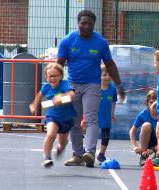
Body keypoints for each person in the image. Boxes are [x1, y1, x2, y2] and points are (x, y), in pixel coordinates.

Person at [57, 9, 125, 168]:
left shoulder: (100, 42)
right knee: (74, 121)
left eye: (90, 24)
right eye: (83, 23)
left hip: (92, 85)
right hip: (72, 85)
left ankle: (90, 153)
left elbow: (110, 64)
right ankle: (77, 155)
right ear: (78, 23)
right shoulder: (67, 41)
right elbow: (58, 64)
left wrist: (119, 85)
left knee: (91, 117)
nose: (86, 26)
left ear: (94, 25)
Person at [29, 63, 76, 168]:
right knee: (50, 134)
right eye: (50, 76)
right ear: (46, 77)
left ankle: (60, 147)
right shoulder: (46, 87)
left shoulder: (65, 84)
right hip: (53, 117)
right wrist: (34, 105)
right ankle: (47, 157)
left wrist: (61, 99)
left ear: (60, 76)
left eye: (55, 75)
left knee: (62, 142)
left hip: (67, 118)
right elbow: (39, 97)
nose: (53, 78)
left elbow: (72, 95)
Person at [129, 90, 159, 166]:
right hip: (148, 143)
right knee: (146, 125)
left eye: (155, 103)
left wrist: (153, 149)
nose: (153, 105)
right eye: (151, 102)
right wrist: (135, 146)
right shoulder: (143, 114)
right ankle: (144, 157)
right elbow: (132, 131)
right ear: (147, 103)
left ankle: (156, 156)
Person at [96, 64, 117, 163]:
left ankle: (101, 154)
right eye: (104, 75)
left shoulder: (113, 89)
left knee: (105, 136)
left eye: (109, 75)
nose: (107, 77)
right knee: (92, 134)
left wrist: (112, 114)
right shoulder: (95, 88)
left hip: (106, 116)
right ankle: (87, 149)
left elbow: (113, 102)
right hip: (95, 115)